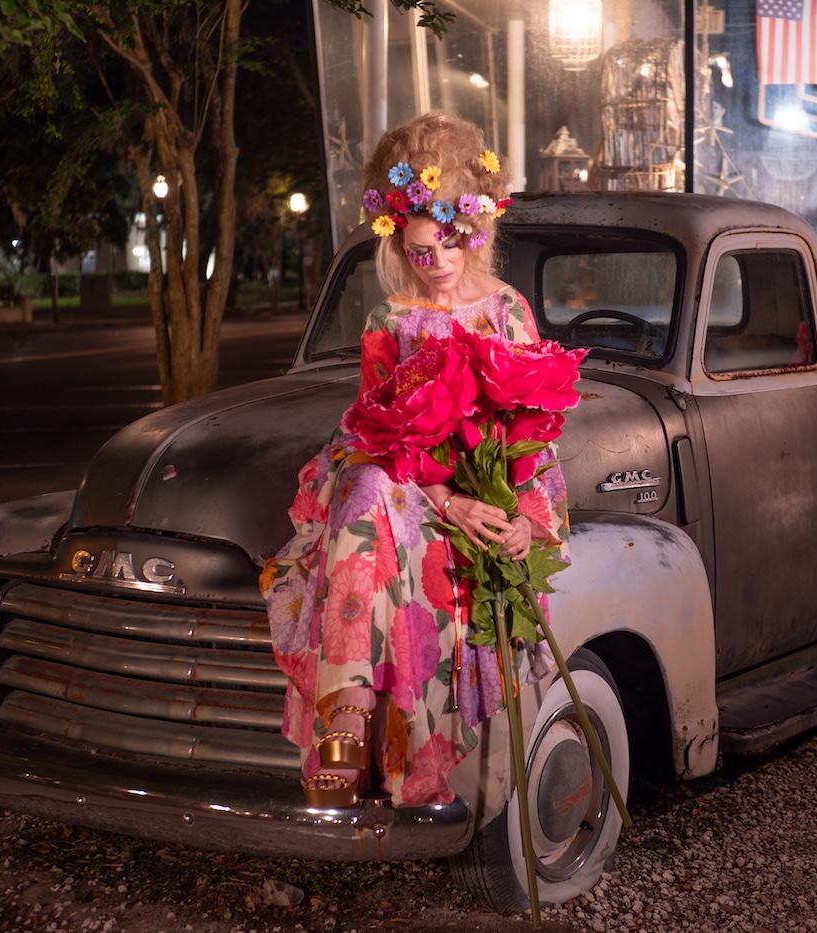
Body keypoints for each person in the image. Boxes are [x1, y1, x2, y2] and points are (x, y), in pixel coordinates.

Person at [260, 112, 572, 809]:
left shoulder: (507, 313)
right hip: (409, 491)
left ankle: (363, 727)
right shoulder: (390, 320)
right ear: (399, 245)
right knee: (367, 483)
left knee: (371, 495)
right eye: (420, 251)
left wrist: (525, 518)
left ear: (473, 232)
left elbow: (535, 431)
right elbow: (375, 428)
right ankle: (348, 715)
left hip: (483, 492)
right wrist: (442, 498)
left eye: (448, 245)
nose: (436, 263)